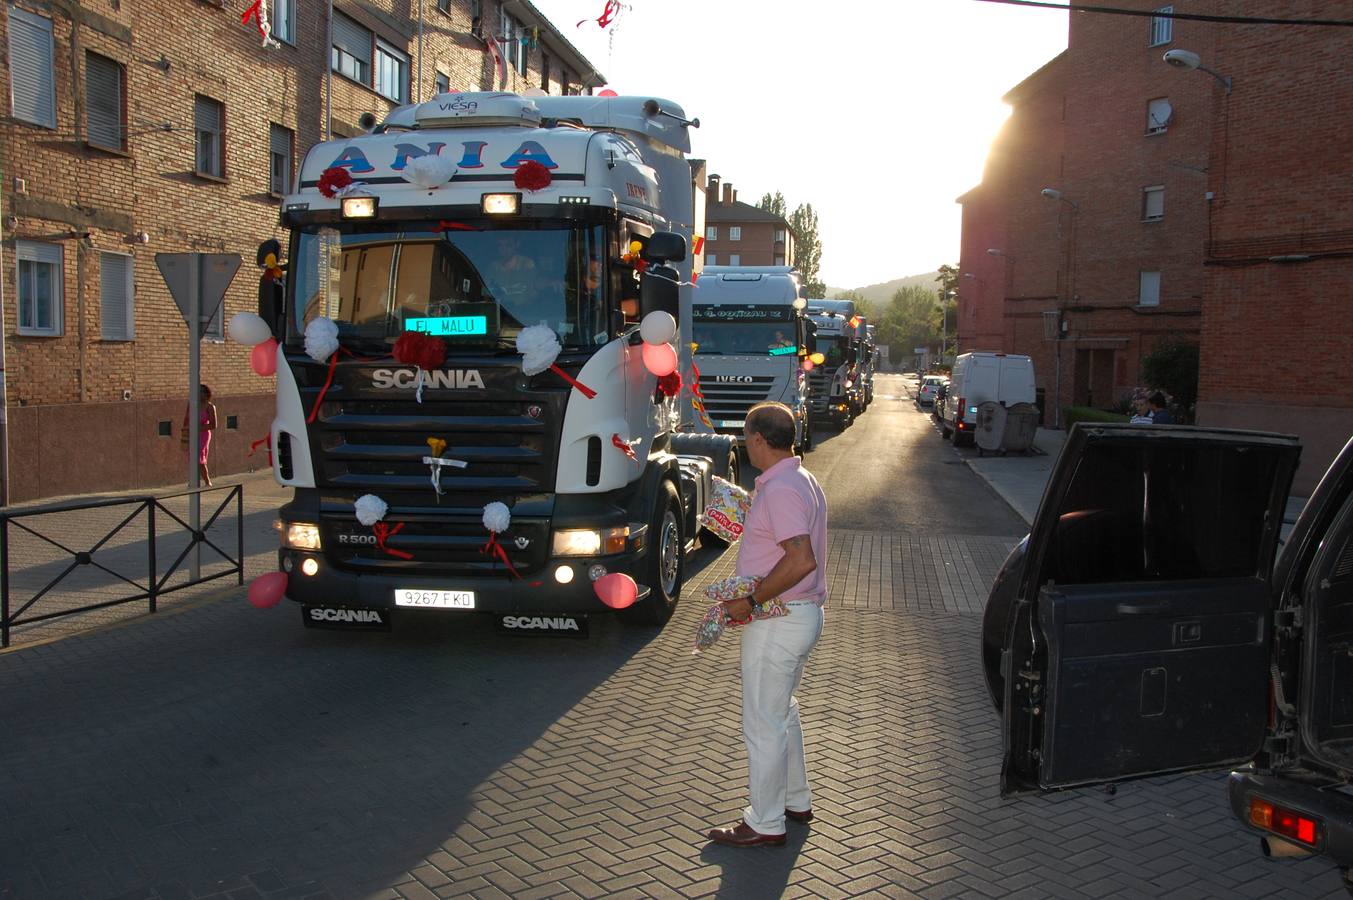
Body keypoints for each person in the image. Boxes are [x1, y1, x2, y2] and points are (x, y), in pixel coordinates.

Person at [707, 402, 828, 848]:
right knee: (782, 712)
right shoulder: (800, 479)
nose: (745, 444)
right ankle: (795, 800)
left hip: (779, 618)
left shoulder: (780, 490)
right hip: (799, 615)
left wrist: (750, 601)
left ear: (759, 439)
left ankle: (765, 822)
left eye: (746, 437)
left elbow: (800, 559)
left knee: (763, 723)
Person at [183, 384, 218, 487]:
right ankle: (195, 481)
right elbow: (186, 418)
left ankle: (206, 481)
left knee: (199, 457)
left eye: (202, 392)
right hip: (192, 433)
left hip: (203, 434)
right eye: (198, 392)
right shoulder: (191, 404)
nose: (200, 394)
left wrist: (198, 427)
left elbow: (213, 425)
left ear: (207, 394)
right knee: (192, 458)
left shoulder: (210, 407)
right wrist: (185, 430)